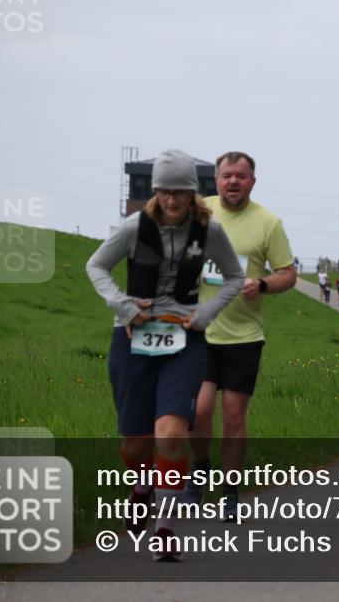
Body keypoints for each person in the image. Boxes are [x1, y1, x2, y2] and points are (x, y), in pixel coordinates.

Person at [86, 150, 244, 561]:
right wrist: (122, 305)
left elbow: (234, 277)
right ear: (156, 192)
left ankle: (166, 528)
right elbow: (96, 266)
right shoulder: (134, 227)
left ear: (193, 194)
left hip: (185, 340)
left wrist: (205, 313)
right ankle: (141, 487)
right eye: (165, 192)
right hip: (133, 337)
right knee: (137, 445)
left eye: (181, 192)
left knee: (172, 432)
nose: (173, 200)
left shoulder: (208, 231)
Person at [183, 151, 297, 519]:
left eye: (242, 176)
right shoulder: (199, 212)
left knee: (233, 415)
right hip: (199, 329)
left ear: (252, 181)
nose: (234, 181)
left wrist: (262, 284)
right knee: (198, 411)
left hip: (243, 334)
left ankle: (230, 490)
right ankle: (200, 470)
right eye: (227, 175)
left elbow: (288, 274)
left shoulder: (268, 222)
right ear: (216, 180)